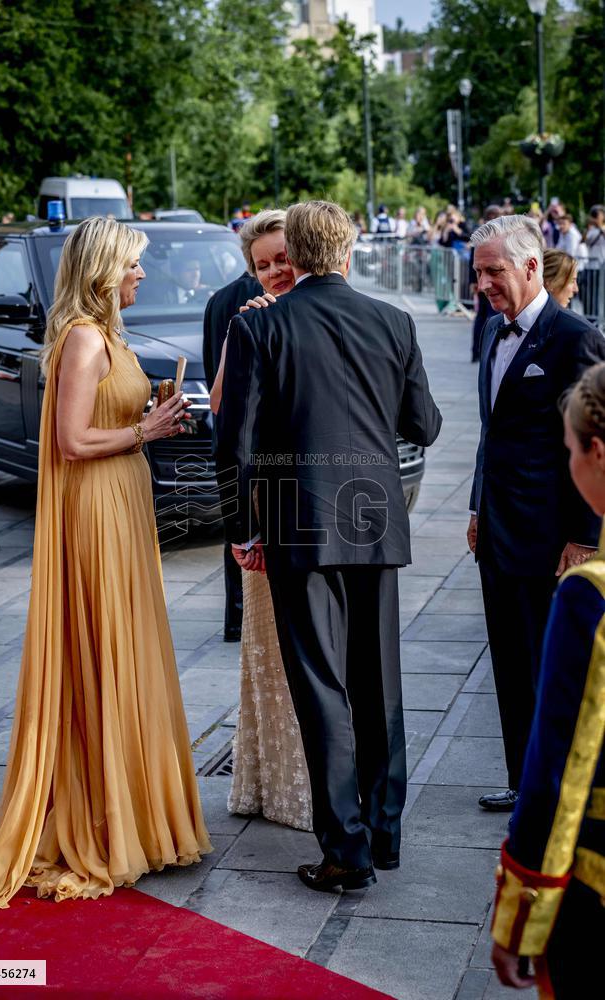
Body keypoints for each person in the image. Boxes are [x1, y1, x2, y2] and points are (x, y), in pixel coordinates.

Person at [0, 217, 211, 932]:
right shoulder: (85, 338)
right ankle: (103, 821)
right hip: (96, 506)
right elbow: (68, 439)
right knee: (102, 651)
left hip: (122, 496)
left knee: (129, 649)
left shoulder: (108, 333)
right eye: (132, 266)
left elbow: (102, 418)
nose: (142, 275)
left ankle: (134, 814)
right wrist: (143, 432)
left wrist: (150, 415)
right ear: (101, 271)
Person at [216, 200, 441, 892]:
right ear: (346, 251)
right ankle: (383, 833)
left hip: (297, 521)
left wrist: (242, 530)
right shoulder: (394, 322)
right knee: (379, 684)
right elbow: (424, 425)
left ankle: (346, 849)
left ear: (301, 255)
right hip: (373, 521)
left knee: (322, 686)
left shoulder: (263, 327)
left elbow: (238, 444)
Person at [468, 214, 605, 814]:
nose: (483, 285)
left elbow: (594, 439)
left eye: (493, 272)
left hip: (551, 540)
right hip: (498, 532)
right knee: (509, 662)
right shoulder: (492, 333)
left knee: (554, 672)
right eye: (478, 274)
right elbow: (493, 433)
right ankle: (524, 782)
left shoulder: (574, 337)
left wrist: (583, 537)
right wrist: (477, 506)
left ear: (530, 266)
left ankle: (562, 792)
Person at [490, 362, 605, 998]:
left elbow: (559, 773)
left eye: (569, 451)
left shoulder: (589, 597)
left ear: (597, 453)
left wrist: (522, 913)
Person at [210, 209, 312, 831]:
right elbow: (224, 409)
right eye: (262, 265)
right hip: (267, 504)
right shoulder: (248, 320)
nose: (274, 271)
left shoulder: (324, 313)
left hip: (321, 504)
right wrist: (240, 340)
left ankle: (305, 781)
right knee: (266, 649)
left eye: (281, 259)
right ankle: (268, 782)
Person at [202, 248, 262, 644]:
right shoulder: (266, 299)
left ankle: (235, 620)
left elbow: (210, 366)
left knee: (236, 528)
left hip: (225, 423)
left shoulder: (217, 299)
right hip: (255, 431)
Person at [470, 205, 502, 363]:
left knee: (486, 316)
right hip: (485, 283)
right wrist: (474, 281)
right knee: (487, 317)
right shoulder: (486, 234)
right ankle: (481, 350)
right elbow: (473, 260)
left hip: (486, 281)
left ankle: (482, 351)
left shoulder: (490, 233)